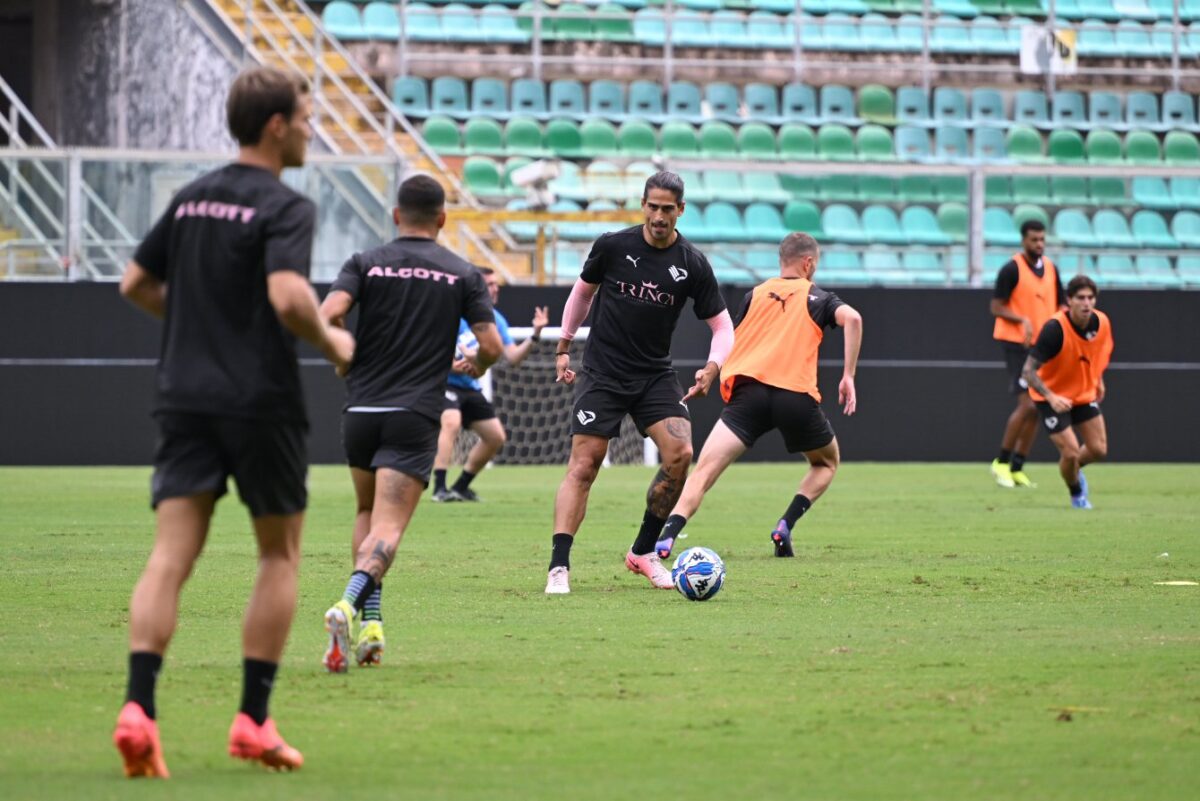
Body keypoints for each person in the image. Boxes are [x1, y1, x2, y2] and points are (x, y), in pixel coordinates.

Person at [112, 67, 354, 778]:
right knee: (278, 556)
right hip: (259, 400)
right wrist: (335, 341)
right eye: (307, 117)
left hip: (183, 396)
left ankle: (138, 707)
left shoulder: (189, 198)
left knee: (169, 556)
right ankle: (252, 718)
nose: (312, 129)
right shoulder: (286, 205)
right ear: (276, 125)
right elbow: (287, 296)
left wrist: (196, 325)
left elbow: (134, 283)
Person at [318, 175, 501, 672]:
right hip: (414, 413)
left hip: (360, 412)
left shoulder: (364, 262)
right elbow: (492, 347)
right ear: (442, 219)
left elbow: (328, 314)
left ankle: (372, 626)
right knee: (391, 528)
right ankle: (347, 604)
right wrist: (477, 368)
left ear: (396, 216)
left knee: (367, 515)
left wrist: (344, 357)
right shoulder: (461, 273)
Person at [545, 171, 735, 595]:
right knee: (585, 464)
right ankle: (559, 567)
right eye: (653, 206)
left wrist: (712, 366)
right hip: (603, 373)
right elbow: (582, 293)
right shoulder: (613, 246)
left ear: (680, 210)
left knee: (680, 453)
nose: (659, 216)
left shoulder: (692, 264)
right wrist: (563, 345)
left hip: (653, 375)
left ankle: (643, 551)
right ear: (643, 205)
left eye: (668, 209)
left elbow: (723, 326)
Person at [653, 233, 862, 559]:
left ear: (781, 261)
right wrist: (848, 376)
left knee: (703, 472)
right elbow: (853, 319)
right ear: (808, 263)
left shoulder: (753, 295)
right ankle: (785, 525)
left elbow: (732, 339)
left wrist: (711, 373)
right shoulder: (817, 297)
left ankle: (667, 537)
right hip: (795, 397)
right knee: (826, 462)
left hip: (748, 395)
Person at [431, 268, 549, 502]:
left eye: (496, 284)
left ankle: (460, 487)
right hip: (444, 382)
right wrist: (455, 365)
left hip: (469, 386)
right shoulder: (453, 313)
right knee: (451, 422)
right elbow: (430, 351)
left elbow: (513, 358)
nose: (495, 288)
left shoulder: (497, 320)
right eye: (489, 284)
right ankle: (439, 488)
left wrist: (535, 335)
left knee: (495, 437)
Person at [1022, 275, 1113, 510]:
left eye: (1090, 298)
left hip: (1082, 393)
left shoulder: (1101, 322)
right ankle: (1076, 493)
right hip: (1049, 396)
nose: (1086, 303)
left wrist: (1098, 379)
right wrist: (1051, 396)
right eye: (1080, 298)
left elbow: (1097, 354)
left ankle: (1070, 471)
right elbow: (1028, 371)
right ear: (1069, 301)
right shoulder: (1055, 329)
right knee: (1071, 452)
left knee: (1098, 449)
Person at [989, 219, 1066, 489]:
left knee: (1037, 409)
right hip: (1016, 344)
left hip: (1041, 348)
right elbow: (996, 306)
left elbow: (1062, 307)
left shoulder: (1052, 269)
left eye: (1042, 239)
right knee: (1029, 405)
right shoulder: (1012, 269)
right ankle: (1001, 462)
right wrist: (1022, 320)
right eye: (1034, 239)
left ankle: (1017, 467)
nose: (1039, 244)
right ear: (1023, 240)